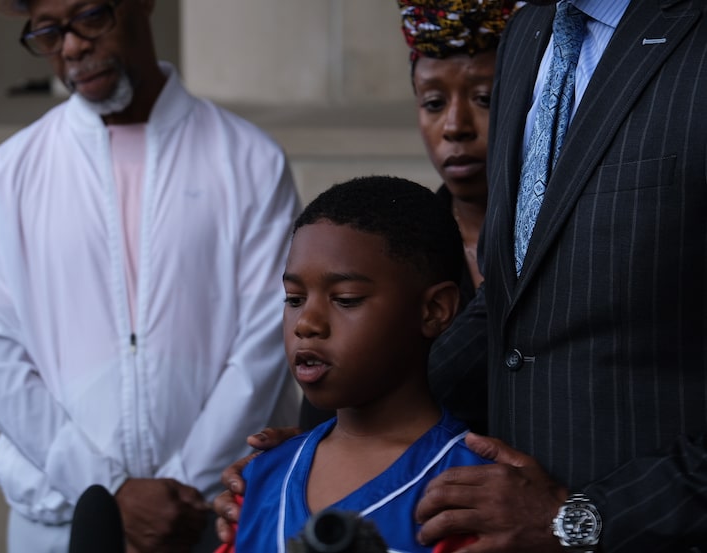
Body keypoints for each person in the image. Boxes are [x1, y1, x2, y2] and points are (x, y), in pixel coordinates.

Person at [217, 1, 707, 551]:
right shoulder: (530, 31)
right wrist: (328, 451)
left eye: (347, 297)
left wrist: (583, 520)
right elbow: (515, 299)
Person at [0, 0, 301, 552]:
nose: (70, 47)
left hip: (209, 514)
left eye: (90, 17)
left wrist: (180, 489)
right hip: (60, 519)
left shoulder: (250, 160)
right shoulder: (6, 175)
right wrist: (110, 489)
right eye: (48, 32)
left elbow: (268, 335)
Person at [233, 175, 490, 553]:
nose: (307, 323)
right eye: (294, 298)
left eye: (346, 299)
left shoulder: (466, 492)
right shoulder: (260, 476)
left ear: (434, 310)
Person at [298, 0, 521, 433]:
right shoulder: (383, 250)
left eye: (484, 99)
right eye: (434, 103)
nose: (455, 126)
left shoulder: (555, 248)